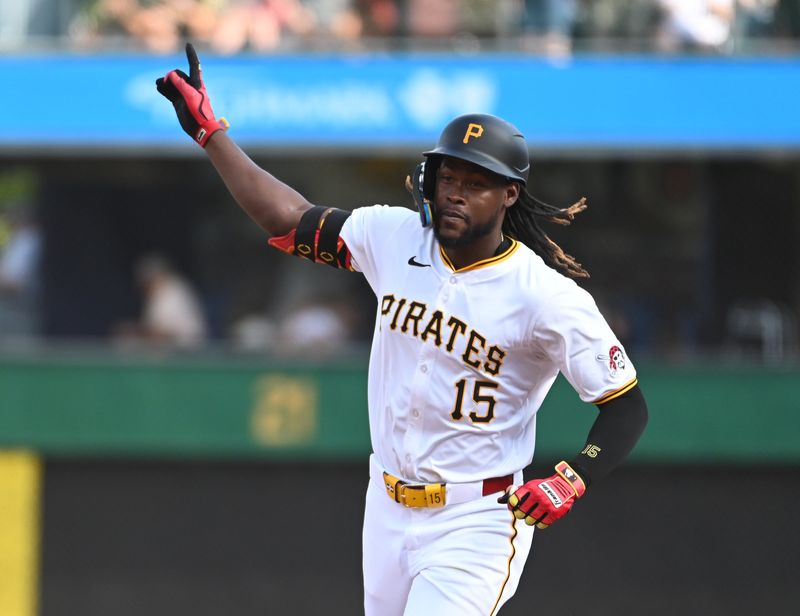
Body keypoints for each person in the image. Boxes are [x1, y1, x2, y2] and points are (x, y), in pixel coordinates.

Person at [156, 44, 649, 615]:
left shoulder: (544, 295)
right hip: (386, 504)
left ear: (510, 194)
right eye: (448, 177)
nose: (456, 192)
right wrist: (212, 134)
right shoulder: (394, 238)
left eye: (477, 182)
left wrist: (570, 478)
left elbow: (625, 405)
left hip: (478, 515)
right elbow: (287, 219)